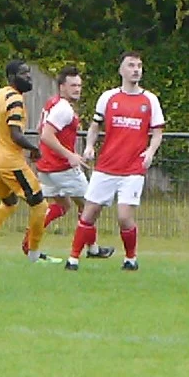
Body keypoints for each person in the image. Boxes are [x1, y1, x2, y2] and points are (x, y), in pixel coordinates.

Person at [65, 52, 165, 271]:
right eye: (131, 65)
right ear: (121, 70)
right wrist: (90, 146)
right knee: (89, 212)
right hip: (107, 166)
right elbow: (94, 126)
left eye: (139, 65)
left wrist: (150, 152)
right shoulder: (108, 97)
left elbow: (157, 132)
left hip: (133, 169)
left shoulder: (150, 100)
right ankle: (73, 259)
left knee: (124, 216)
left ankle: (130, 259)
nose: (136, 69)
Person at [21, 65, 114, 260]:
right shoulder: (63, 109)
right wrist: (70, 155)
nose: (77, 89)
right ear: (62, 87)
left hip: (47, 166)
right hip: (62, 168)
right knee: (90, 206)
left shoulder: (52, 103)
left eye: (79, 85)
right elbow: (47, 135)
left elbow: (42, 130)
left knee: (62, 205)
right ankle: (91, 249)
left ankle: (30, 242)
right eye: (73, 85)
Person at [0, 60, 56, 264]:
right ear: (11, 78)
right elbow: (16, 135)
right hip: (11, 163)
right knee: (40, 205)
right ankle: (34, 255)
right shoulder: (15, 99)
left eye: (28, 73)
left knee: (9, 203)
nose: (28, 77)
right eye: (23, 73)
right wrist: (35, 149)